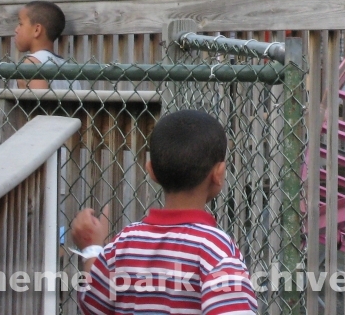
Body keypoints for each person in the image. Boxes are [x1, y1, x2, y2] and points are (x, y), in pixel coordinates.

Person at [71, 110, 257, 315]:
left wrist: (91, 249)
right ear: (218, 174)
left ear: (151, 171)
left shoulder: (124, 243)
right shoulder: (216, 250)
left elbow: (93, 305)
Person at [15, 1, 69, 91]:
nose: (16, 30)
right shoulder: (65, 65)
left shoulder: (30, 64)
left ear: (37, 30)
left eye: (21, 24)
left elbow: (38, 103)